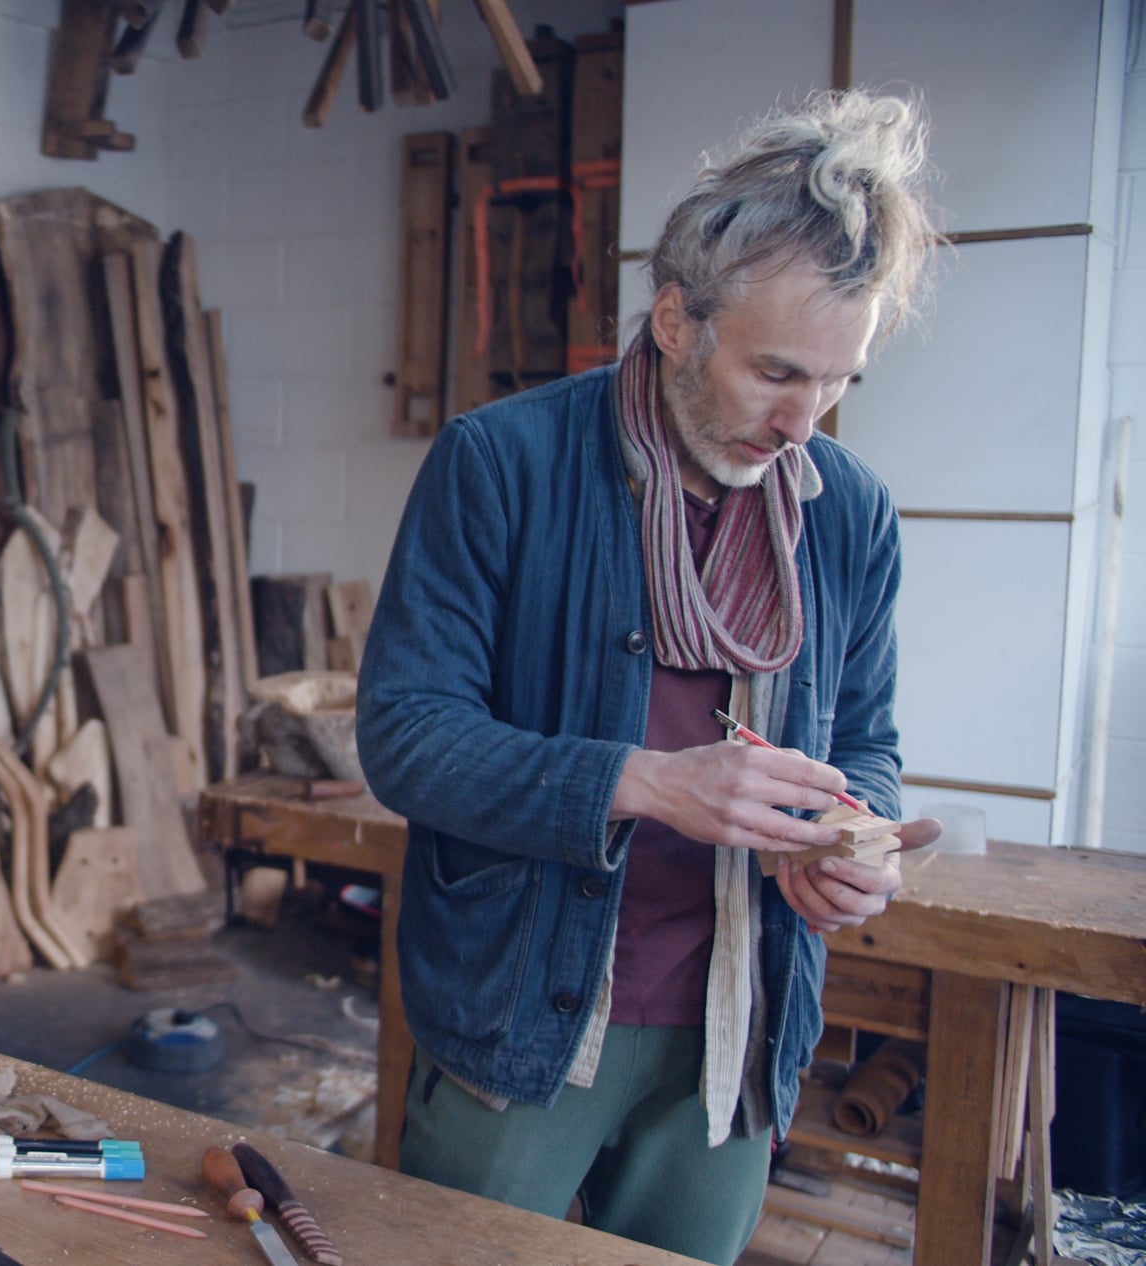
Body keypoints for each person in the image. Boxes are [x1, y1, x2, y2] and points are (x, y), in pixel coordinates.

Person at [357, 91, 946, 1264]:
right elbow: (405, 736)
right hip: (520, 1010)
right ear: (675, 320)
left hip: (735, 1024)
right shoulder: (504, 462)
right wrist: (646, 783)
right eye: (775, 372)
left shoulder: (849, 513)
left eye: (837, 382)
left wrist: (854, 837)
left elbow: (865, 740)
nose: (803, 422)